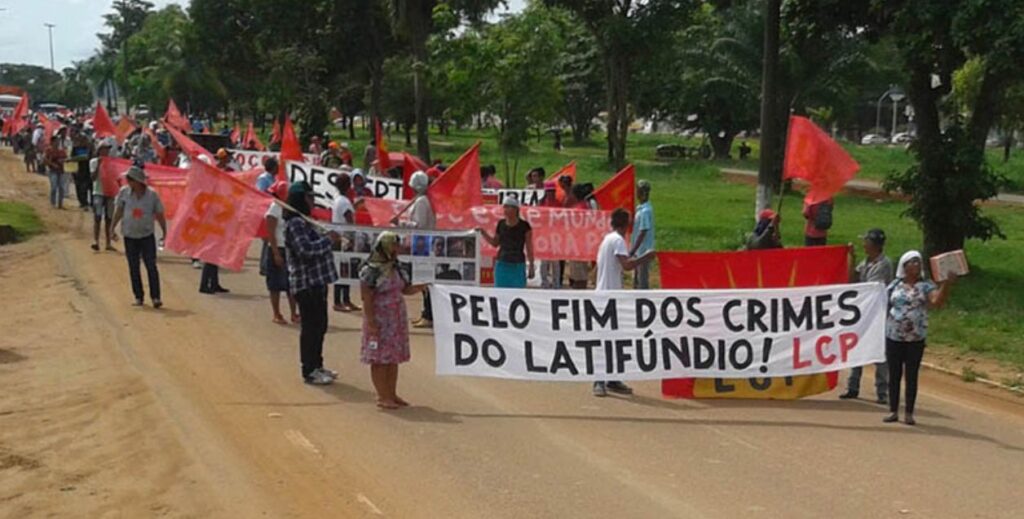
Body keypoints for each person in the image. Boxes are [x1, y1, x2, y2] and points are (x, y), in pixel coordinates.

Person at [883, 251, 955, 425]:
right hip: (894, 336)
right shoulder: (894, 285)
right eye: (913, 262)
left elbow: (937, 302)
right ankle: (893, 410)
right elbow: (883, 304)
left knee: (911, 374)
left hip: (915, 337)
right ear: (904, 265)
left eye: (918, 262)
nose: (916, 265)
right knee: (894, 374)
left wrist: (946, 284)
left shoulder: (926, 286)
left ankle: (908, 412)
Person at [359, 232, 427, 409]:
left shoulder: (396, 267)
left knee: (392, 358)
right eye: (394, 246)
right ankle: (382, 396)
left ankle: (391, 393)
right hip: (380, 319)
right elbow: (367, 298)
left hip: (396, 320)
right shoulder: (370, 271)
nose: (397, 249)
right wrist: (372, 323)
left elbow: (405, 289)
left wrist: (423, 287)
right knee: (380, 359)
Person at [592, 208, 656, 397]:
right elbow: (626, 265)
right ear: (627, 225)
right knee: (606, 339)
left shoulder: (607, 240)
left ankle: (611, 378)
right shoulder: (618, 241)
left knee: (613, 339)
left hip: (607, 293)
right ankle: (599, 379)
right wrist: (647, 256)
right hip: (608, 296)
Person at [284, 181, 341, 386]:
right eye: (309, 198)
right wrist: (328, 241)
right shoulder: (295, 224)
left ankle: (317, 364)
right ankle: (309, 369)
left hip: (317, 282)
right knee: (311, 328)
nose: (312, 202)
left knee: (320, 326)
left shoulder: (306, 221)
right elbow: (305, 250)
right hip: (306, 283)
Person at [839, 229, 894, 402]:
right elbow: (852, 280)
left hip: (877, 314)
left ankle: (882, 392)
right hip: (862, 314)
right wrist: (851, 258)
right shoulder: (865, 262)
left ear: (874, 245)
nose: (864, 244)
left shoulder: (884, 264)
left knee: (879, 352)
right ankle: (852, 387)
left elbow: (870, 288)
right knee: (857, 349)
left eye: (866, 242)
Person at [110, 166, 166, 308]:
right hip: (129, 236)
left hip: (146, 235)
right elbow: (119, 211)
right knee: (133, 267)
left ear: (137, 181)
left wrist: (164, 231)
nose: (127, 182)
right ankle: (139, 296)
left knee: (151, 266)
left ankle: (156, 297)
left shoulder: (152, 195)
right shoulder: (124, 193)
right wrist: (112, 228)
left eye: (130, 180)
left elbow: (159, 214)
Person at [394, 171, 435, 328]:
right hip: (420, 245)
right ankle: (425, 313)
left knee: (424, 281)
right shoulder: (420, 200)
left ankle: (428, 315)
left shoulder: (422, 202)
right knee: (421, 280)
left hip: (423, 245)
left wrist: (401, 223)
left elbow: (419, 225)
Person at [263, 180, 299, 325]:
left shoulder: (290, 208)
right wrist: (276, 253)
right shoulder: (274, 209)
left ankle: (293, 313)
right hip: (277, 249)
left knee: (292, 284)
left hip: (290, 249)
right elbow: (270, 233)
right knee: (275, 284)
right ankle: (277, 313)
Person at [479, 198, 535, 288]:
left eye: (508, 207)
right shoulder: (501, 224)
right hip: (502, 263)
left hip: (518, 264)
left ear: (516, 209)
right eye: (504, 207)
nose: (505, 210)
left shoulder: (525, 226)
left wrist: (531, 265)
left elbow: (529, 247)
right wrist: (483, 233)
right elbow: (495, 243)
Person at [331, 172, 360, 312]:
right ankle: (339, 301)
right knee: (343, 270)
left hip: (338, 237)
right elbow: (349, 220)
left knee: (344, 270)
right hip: (344, 239)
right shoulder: (344, 202)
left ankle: (345, 299)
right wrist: (352, 238)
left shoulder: (338, 199)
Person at [90, 138, 117, 251]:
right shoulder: (94, 162)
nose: (106, 151)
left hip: (110, 192)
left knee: (109, 218)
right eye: (104, 149)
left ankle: (108, 243)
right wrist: (99, 165)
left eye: (107, 149)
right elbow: (93, 177)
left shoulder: (112, 162)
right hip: (98, 192)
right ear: (99, 150)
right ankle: (96, 241)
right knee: (97, 217)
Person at [629, 180, 655, 289]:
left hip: (643, 251)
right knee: (636, 278)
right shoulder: (640, 209)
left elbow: (643, 231)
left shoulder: (645, 211)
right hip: (638, 251)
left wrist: (633, 249)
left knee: (642, 280)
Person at [43, 127, 69, 209]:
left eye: (57, 142)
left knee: (61, 187)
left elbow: (66, 159)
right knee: (54, 187)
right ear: (52, 142)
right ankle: (53, 202)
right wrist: (53, 164)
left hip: (61, 170)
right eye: (55, 142)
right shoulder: (48, 150)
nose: (57, 143)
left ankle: (60, 203)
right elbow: (45, 160)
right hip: (52, 171)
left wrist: (63, 161)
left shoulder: (61, 151)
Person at [70, 126, 93, 210]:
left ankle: (88, 203)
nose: (82, 140)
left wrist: (72, 159)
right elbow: (72, 158)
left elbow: (86, 157)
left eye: (83, 139)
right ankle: (82, 202)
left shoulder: (89, 148)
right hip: (78, 171)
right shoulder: (75, 148)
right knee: (79, 187)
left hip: (87, 170)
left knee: (86, 187)